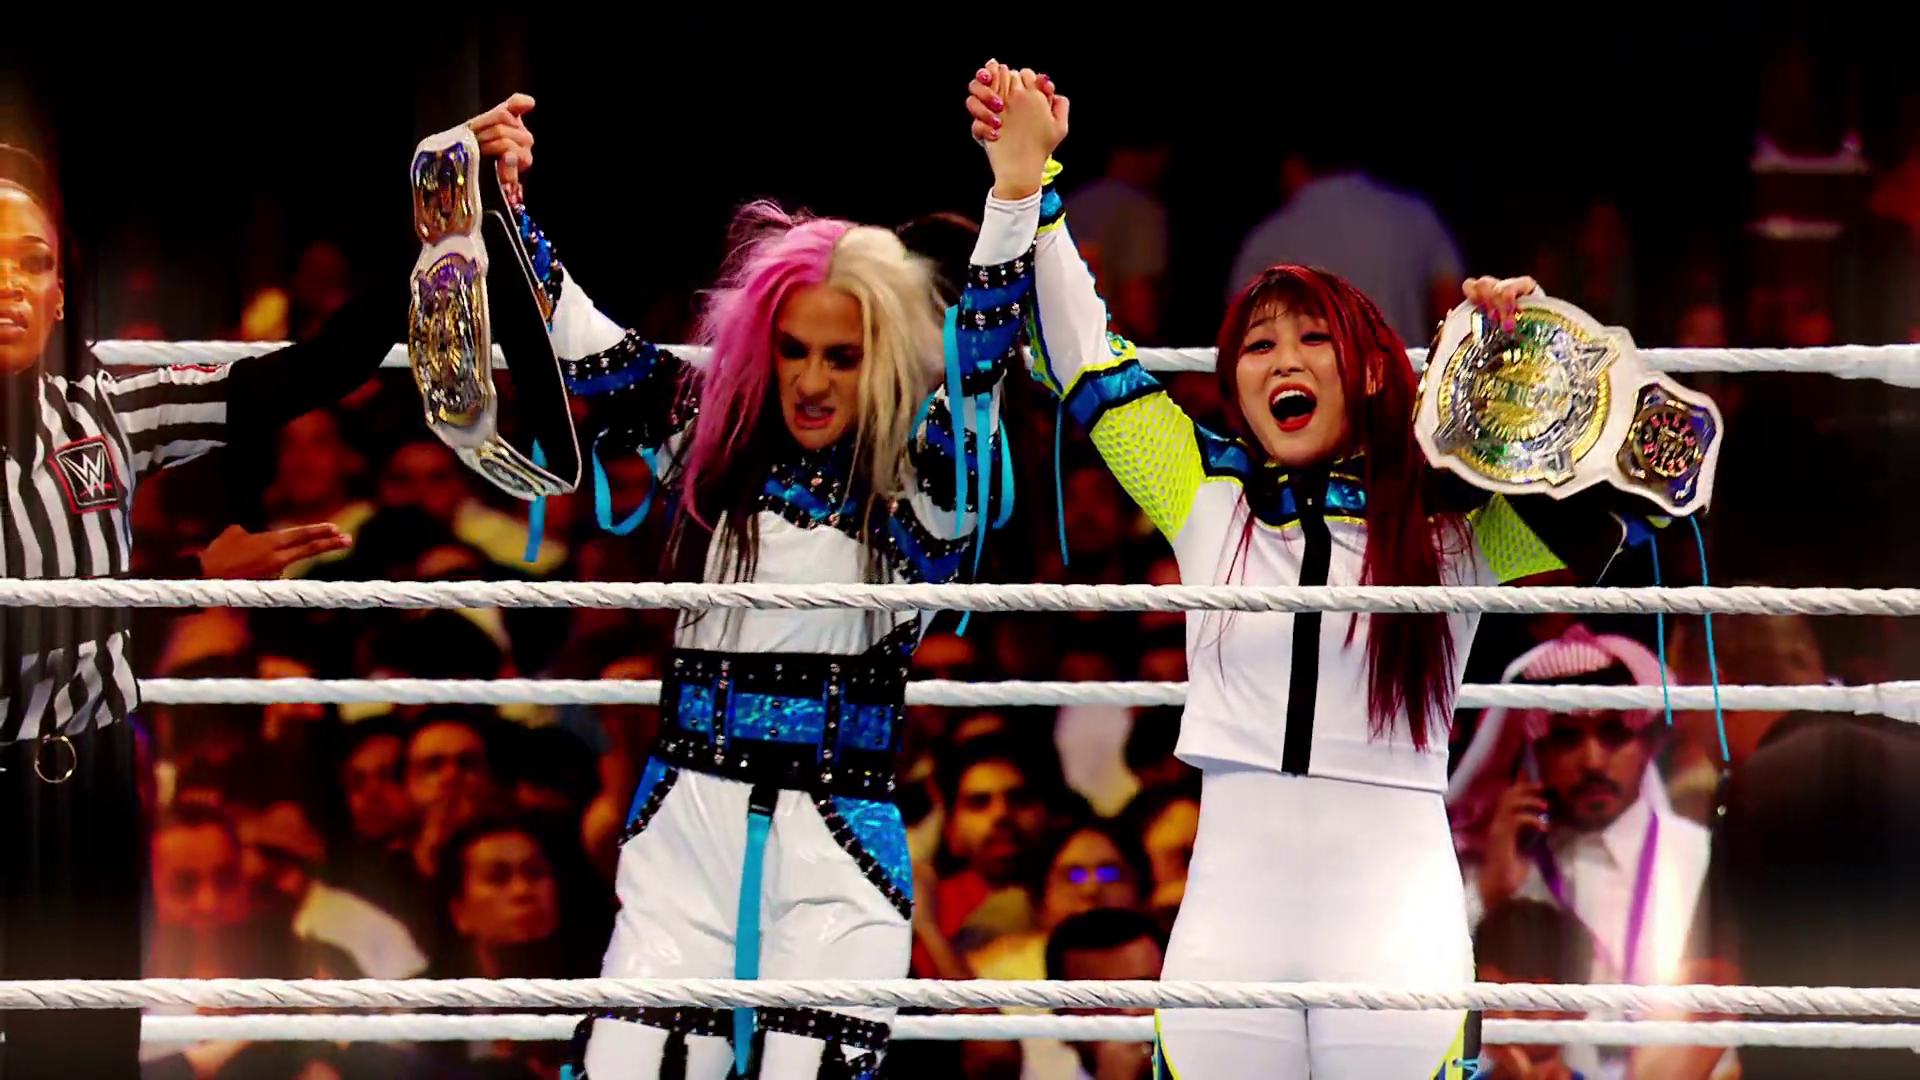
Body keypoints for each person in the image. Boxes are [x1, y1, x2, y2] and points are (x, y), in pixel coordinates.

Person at [963, 62, 1719, 1080]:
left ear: (1370, 369)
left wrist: (1534, 361)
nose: (1285, 360)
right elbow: (1083, 351)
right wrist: (1028, 185)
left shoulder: (1454, 533)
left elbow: (1647, 488)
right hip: (1230, 925)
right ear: (1233, 383)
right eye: (1259, 346)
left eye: (1314, 340)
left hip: (1397, 927)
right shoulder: (1200, 490)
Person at [432, 97, 1025, 1080]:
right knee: (633, 1063)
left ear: (883, 358)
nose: (812, 381)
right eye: (794, 350)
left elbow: (982, 365)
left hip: (835, 836)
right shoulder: (717, 452)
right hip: (687, 824)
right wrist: (504, 201)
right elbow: (589, 344)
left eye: (841, 356)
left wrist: (1014, 194)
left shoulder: (924, 488)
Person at [0, 117, 488, 1076]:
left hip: (92, 777)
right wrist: (191, 583)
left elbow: (315, 368)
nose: (11, 284)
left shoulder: (107, 408)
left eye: (33, 263)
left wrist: (445, 217)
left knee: (89, 1044)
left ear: (60, 296)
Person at [1447, 625, 1713, 1080]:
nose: (1592, 761)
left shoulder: (1700, 856)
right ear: (1536, 748)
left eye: (1613, 733)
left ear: (1649, 742)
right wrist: (1489, 895)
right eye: (1567, 737)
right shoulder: (1505, 868)